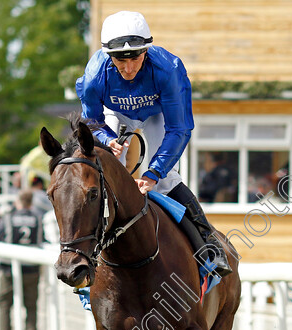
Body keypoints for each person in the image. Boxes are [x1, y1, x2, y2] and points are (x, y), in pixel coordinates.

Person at [76, 10, 232, 275]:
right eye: (119, 60)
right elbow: (92, 121)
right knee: (106, 167)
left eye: (135, 58)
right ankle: (85, 250)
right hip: (115, 113)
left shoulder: (168, 70)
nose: (128, 68)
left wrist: (153, 173)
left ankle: (209, 245)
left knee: (167, 178)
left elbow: (179, 128)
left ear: (146, 51)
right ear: (108, 56)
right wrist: (107, 139)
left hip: (157, 113)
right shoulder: (94, 77)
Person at [0, 190, 44, 330]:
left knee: (4, 304)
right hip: (32, 269)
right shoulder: (38, 218)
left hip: (9, 269)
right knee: (31, 307)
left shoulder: (8, 217)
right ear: (31, 203)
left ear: (18, 201)